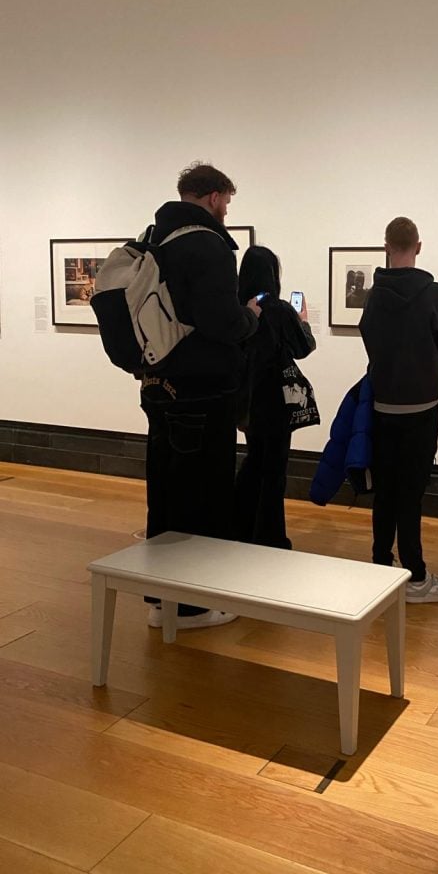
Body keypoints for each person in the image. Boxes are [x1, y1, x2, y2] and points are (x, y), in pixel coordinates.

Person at [141, 161, 261, 629]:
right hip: (203, 392)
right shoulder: (208, 245)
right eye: (226, 202)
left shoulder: (155, 237)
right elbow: (222, 323)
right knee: (204, 493)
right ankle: (193, 606)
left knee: (165, 490)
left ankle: (161, 599)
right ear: (214, 197)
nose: (227, 210)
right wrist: (249, 316)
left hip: (158, 387)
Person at [359, 216, 438, 603]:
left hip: (383, 404)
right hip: (422, 407)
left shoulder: (375, 296)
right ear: (418, 247)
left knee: (385, 489)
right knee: (411, 491)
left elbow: (370, 342)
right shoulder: (437, 294)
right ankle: (415, 575)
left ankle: (380, 566)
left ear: (386, 246)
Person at [234, 246, 316, 548]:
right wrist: (303, 321)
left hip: (246, 400)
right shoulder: (279, 309)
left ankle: (241, 527)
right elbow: (303, 347)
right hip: (276, 400)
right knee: (274, 469)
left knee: (255, 460)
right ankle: (270, 538)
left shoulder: (238, 309)